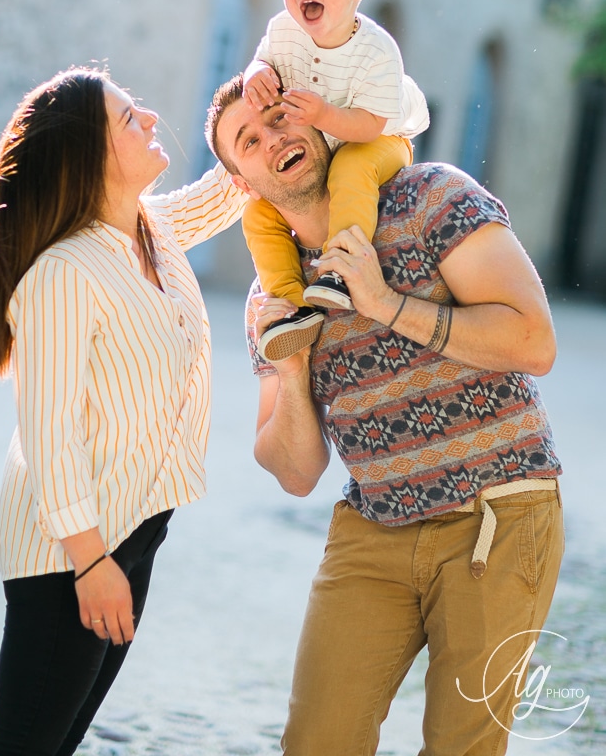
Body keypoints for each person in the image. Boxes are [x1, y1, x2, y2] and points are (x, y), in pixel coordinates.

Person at [205, 75, 564, 756]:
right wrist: (289, 367)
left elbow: (532, 340)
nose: (272, 137)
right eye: (248, 141)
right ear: (244, 182)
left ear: (316, 121)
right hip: (372, 531)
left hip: (498, 514)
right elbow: (293, 471)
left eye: (279, 116)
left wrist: (382, 302)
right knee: (317, 742)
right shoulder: (273, 301)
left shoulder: (429, 195)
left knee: (461, 749)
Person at [0, 66, 246, 756]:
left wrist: (281, 73)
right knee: (26, 742)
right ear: (88, 156)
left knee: (60, 738)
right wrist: (90, 564)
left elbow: (231, 185)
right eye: (126, 117)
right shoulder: (63, 273)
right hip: (68, 552)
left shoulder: (150, 230)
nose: (149, 117)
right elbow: (46, 435)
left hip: (135, 527)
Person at [241, 0, 429, 362]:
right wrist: (257, 73)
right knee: (258, 212)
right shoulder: (284, 31)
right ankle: (290, 303)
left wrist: (324, 114)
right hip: (328, 137)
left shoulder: (377, 50)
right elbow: (263, 59)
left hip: (379, 137)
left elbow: (369, 125)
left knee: (351, 167)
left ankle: (342, 266)